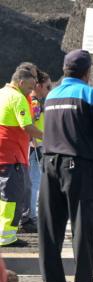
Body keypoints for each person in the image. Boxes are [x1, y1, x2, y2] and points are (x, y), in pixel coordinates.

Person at [39, 50, 93, 282]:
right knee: (83, 226)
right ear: (87, 71)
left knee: (50, 228)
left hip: (49, 164)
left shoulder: (51, 96)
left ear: (64, 69)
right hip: (78, 166)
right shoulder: (90, 94)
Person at [0, 67, 42, 247]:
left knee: (3, 195)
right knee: (12, 196)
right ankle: (7, 237)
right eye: (29, 87)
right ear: (21, 82)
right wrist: (50, 137)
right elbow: (27, 127)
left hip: (4, 153)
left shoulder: (2, 93)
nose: (31, 92)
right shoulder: (17, 98)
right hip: (12, 155)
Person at [23, 69, 50, 230]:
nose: (49, 91)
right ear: (38, 86)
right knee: (34, 183)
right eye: (47, 87)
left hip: (36, 146)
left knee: (34, 183)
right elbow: (30, 125)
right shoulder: (35, 103)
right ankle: (31, 217)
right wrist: (34, 144)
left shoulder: (33, 102)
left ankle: (31, 215)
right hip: (34, 148)